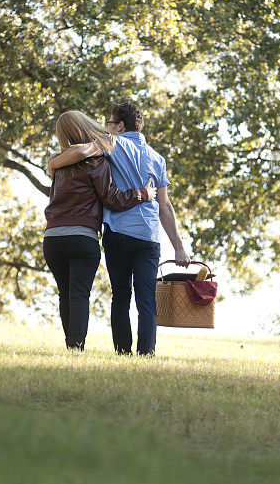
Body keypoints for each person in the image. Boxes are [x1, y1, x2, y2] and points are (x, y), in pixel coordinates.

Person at [48, 102, 191, 357]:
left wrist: (54, 164)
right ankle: (146, 354)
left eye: (110, 123)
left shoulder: (112, 143)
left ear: (120, 126)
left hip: (118, 233)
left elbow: (80, 151)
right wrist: (179, 248)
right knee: (146, 297)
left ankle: (123, 353)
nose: (106, 127)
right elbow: (165, 206)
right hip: (148, 236)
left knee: (120, 296)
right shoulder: (158, 159)